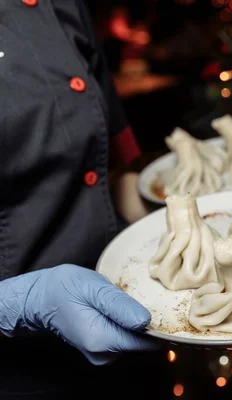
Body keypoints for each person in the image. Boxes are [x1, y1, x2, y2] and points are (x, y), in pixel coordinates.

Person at [0, 0, 166, 398]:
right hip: (22, 373)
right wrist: (21, 303)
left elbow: (114, 156)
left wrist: (175, 215)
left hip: (133, 311)